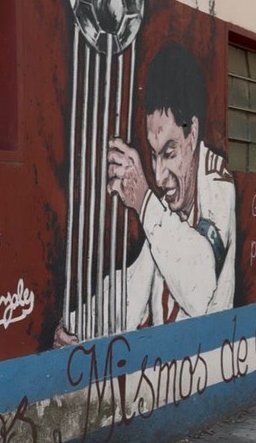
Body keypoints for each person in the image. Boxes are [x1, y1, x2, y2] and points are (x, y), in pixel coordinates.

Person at [55, 43, 235, 347]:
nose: (159, 175)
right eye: (153, 155)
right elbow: (134, 285)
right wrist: (75, 326)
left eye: (169, 152)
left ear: (192, 133)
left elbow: (201, 289)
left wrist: (143, 200)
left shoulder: (219, 183)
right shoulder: (166, 208)